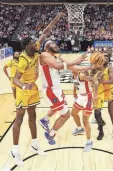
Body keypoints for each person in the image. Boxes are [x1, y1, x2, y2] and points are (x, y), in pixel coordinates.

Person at [11, 12, 65, 167]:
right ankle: (15, 150)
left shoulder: (34, 51)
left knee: (33, 117)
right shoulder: (23, 59)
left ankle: (35, 144)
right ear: (27, 46)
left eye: (36, 43)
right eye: (34, 44)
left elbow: (45, 32)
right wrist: (23, 85)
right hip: (23, 89)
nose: (37, 45)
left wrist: (56, 18)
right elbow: (15, 79)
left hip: (33, 88)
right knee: (19, 120)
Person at [39, 40, 92, 145]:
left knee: (61, 107)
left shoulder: (56, 58)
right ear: (46, 48)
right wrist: (77, 60)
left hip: (57, 90)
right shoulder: (44, 55)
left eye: (55, 43)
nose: (56, 45)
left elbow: (72, 67)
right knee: (66, 115)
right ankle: (50, 133)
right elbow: (59, 66)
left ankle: (45, 120)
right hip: (50, 90)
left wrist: (91, 67)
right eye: (52, 43)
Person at [71, 70, 96, 151]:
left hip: (88, 98)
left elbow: (94, 81)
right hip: (80, 97)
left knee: (85, 120)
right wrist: (74, 91)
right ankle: (79, 128)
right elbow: (76, 83)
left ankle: (89, 141)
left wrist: (95, 95)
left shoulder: (84, 77)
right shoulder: (75, 76)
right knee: (73, 113)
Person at [100, 55, 113, 138]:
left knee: (110, 111)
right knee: (97, 109)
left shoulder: (110, 68)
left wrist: (101, 81)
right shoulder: (99, 68)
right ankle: (99, 121)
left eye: (107, 58)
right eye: (104, 57)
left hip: (110, 91)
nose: (105, 59)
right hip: (102, 91)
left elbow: (111, 81)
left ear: (108, 60)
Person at [90, 67, 105, 140]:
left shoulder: (100, 73)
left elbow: (96, 83)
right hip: (93, 94)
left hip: (99, 94)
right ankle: (101, 122)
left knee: (97, 114)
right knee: (97, 114)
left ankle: (101, 132)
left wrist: (95, 94)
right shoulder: (91, 72)